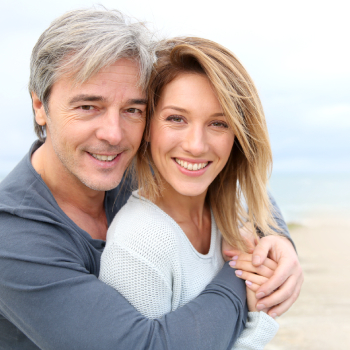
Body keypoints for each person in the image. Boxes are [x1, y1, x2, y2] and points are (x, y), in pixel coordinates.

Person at [0, 7, 303, 350]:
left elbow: (231, 183)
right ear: (40, 105)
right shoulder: (12, 236)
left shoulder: (125, 165)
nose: (114, 134)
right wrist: (241, 272)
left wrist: (276, 237)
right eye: (88, 107)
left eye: (133, 109)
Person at [99, 37, 281, 349]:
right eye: (176, 119)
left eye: (218, 123)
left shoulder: (234, 211)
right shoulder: (139, 245)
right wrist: (261, 320)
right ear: (148, 128)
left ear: (237, 136)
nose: (196, 145)